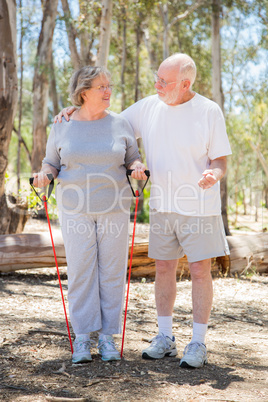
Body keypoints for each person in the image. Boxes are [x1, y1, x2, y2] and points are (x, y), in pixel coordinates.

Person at [55, 53, 232, 369]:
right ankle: (165, 338)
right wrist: (74, 110)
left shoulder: (208, 111)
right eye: (157, 78)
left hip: (199, 208)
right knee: (163, 269)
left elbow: (220, 161)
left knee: (200, 272)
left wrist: (213, 175)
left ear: (185, 83)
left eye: (164, 81)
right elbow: (105, 123)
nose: (157, 85)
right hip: (162, 207)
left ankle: (198, 342)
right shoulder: (149, 106)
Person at [33, 66, 146, 364]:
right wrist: (44, 175)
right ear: (84, 92)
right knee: (82, 270)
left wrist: (136, 167)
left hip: (115, 207)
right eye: (101, 87)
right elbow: (51, 162)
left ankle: (108, 337)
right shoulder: (62, 125)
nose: (108, 91)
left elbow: (132, 156)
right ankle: (82, 337)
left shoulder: (120, 124)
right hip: (74, 209)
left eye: (109, 85)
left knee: (111, 271)